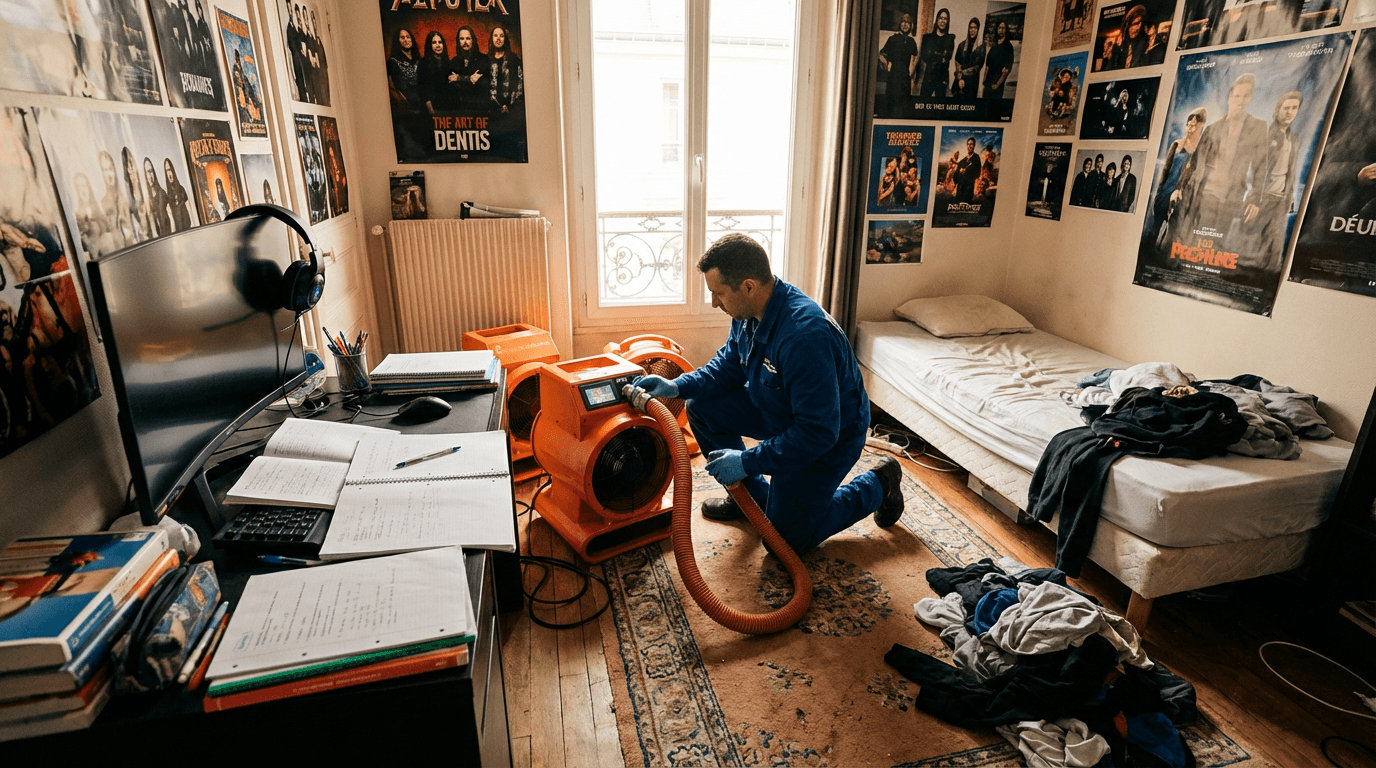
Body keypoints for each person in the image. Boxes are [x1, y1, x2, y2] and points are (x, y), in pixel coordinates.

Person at [632, 234, 905, 555]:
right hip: (779, 412)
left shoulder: (804, 336)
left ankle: (880, 483)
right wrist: (678, 385)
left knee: (786, 540)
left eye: (718, 293)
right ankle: (752, 501)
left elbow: (817, 432)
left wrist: (747, 461)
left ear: (748, 286)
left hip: (829, 436)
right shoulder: (747, 313)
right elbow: (727, 368)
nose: (714, 303)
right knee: (701, 407)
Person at [1172, 73, 1267, 241]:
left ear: (1250, 98)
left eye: (1245, 96)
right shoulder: (1212, 129)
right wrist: (1179, 187)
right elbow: (1193, 162)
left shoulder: (1258, 127)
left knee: (1215, 245)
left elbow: (1260, 166)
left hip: (1230, 199)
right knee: (1194, 241)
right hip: (1204, 195)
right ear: (1230, 97)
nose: (1240, 100)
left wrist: (1255, 199)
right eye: (1237, 95)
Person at [1246, 91, 1303, 272]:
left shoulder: (1294, 139)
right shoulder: (1266, 135)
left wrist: (1291, 195)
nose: (1290, 112)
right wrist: (1255, 199)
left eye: (1294, 108)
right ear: (1278, 109)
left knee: (1275, 249)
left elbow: (1291, 171)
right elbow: (1257, 169)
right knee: (1253, 246)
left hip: (1281, 199)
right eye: (1286, 108)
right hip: (1263, 198)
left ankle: (1266, 280)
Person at [1152, 107, 1206, 234]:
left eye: (1194, 125)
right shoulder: (1176, 144)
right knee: (1155, 229)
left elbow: (1198, 176)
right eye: (1189, 124)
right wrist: (1159, 191)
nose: (1190, 128)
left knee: (1172, 233)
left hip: (1183, 197)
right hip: (1165, 192)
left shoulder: (1200, 151)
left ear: (1200, 127)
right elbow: (1165, 170)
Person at [878, 13, 918, 116]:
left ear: (911, 25)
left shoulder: (911, 42)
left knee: (904, 108)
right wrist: (887, 64)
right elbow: (881, 54)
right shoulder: (892, 39)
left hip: (905, 78)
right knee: (891, 106)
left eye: (908, 22)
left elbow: (916, 57)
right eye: (903, 21)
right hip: (893, 77)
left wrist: (912, 71)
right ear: (900, 23)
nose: (905, 24)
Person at [97, 150, 134, 248]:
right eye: (104, 170)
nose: (109, 174)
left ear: (114, 169)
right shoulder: (103, 202)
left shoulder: (126, 197)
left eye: (109, 168)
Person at [451, 26, 489, 111]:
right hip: (459, 109)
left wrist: (459, 78)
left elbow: (481, 85)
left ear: (473, 41)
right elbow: (452, 85)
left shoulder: (483, 59)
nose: (465, 41)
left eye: (468, 38)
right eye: (462, 38)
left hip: (479, 108)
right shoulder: (454, 61)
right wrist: (469, 79)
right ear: (458, 41)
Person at [919, 8, 955, 99]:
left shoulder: (950, 39)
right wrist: (940, 57)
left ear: (948, 21)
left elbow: (948, 57)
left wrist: (933, 54)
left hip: (942, 78)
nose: (942, 21)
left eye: (945, 19)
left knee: (940, 107)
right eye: (941, 18)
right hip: (929, 77)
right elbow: (925, 56)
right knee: (923, 104)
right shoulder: (927, 38)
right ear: (937, 20)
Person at [488, 25, 523, 114]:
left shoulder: (513, 58)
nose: (498, 38)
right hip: (492, 108)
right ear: (492, 39)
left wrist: (511, 105)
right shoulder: (486, 59)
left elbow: (520, 82)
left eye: (501, 36)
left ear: (505, 39)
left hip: (513, 108)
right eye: (495, 36)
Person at [386, 27, 422, 110]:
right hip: (406, 104)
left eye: (408, 37)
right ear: (397, 41)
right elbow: (393, 87)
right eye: (402, 38)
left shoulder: (419, 59)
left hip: (423, 101)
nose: (406, 40)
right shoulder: (393, 62)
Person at [418, 30, 452, 114]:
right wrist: (431, 111)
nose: (438, 45)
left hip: (449, 107)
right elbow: (423, 90)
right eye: (434, 42)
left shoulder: (448, 62)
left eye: (440, 42)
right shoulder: (423, 63)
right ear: (429, 45)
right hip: (433, 108)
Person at [982, 21, 1014, 108]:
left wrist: (997, 84)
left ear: (1006, 30)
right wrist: (984, 80)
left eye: (1003, 28)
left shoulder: (1008, 47)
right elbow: (988, 64)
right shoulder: (994, 44)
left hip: (997, 86)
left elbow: (1006, 70)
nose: (1001, 30)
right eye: (999, 28)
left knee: (994, 109)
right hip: (988, 83)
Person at [952, 17, 984, 98]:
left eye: (975, 28)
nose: (972, 30)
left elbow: (976, 68)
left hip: (972, 83)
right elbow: (957, 63)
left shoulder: (981, 47)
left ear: (978, 30)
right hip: (960, 82)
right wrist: (960, 79)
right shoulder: (961, 45)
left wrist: (962, 73)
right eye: (971, 27)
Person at [142, 157, 171, 237]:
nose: (150, 176)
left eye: (151, 171)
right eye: (147, 172)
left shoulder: (162, 193)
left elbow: (171, 216)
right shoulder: (145, 197)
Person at [164, 158, 193, 231]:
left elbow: (189, 209)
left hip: (187, 226)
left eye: (170, 169)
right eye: (167, 170)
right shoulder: (167, 195)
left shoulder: (181, 189)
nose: (169, 173)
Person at [955, 136, 982, 204]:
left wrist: (966, 171)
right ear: (967, 146)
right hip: (960, 191)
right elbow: (955, 176)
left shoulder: (976, 158)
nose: (969, 146)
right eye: (968, 144)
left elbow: (977, 173)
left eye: (971, 144)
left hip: (968, 190)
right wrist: (959, 171)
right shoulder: (962, 161)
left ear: (974, 146)